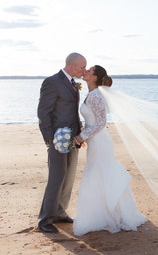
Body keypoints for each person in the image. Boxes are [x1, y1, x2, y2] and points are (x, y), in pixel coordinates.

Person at [72, 65, 146, 236]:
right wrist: (84, 135)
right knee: (97, 173)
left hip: (99, 141)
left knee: (99, 172)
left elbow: (100, 123)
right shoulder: (91, 93)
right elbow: (92, 121)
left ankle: (109, 215)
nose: (86, 72)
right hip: (95, 140)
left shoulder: (96, 95)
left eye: (89, 71)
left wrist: (81, 137)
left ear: (95, 77)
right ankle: (101, 213)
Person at [37, 52, 87, 233]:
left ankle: (59, 212)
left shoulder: (74, 84)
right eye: (82, 67)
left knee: (69, 178)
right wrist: (50, 139)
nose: (84, 70)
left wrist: (80, 134)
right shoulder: (52, 82)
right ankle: (44, 220)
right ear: (72, 66)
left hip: (73, 139)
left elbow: (72, 112)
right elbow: (43, 112)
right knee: (56, 179)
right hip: (57, 139)